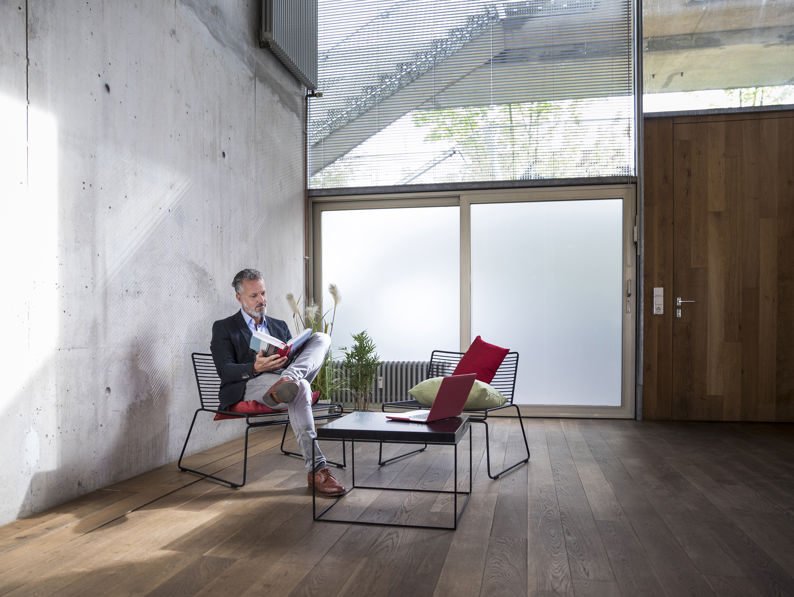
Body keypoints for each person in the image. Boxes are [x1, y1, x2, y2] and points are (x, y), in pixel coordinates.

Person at [210, 268, 346, 497]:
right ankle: (317, 469)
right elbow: (225, 371)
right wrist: (254, 367)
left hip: (282, 378)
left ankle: (289, 377)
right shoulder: (224, 327)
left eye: (263, 293)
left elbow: (293, 353)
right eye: (254, 296)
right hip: (250, 384)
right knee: (301, 387)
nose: (261, 300)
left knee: (322, 338)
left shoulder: (278, 325)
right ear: (239, 298)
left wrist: (289, 359)